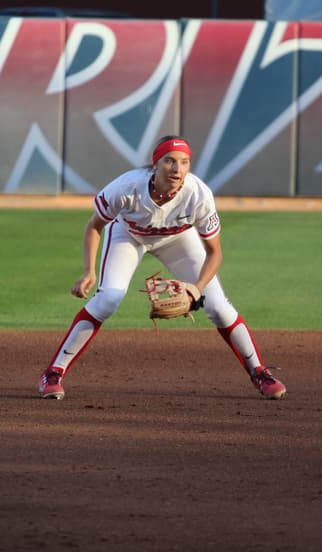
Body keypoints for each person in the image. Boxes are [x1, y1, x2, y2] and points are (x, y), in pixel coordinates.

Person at [38, 135, 287, 400]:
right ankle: (53, 373)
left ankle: (259, 372)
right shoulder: (127, 187)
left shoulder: (199, 194)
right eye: (170, 161)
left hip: (177, 239)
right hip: (128, 235)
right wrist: (89, 270)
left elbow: (215, 253)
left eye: (184, 162)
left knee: (217, 306)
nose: (177, 169)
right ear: (155, 163)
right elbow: (94, 227)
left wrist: (197, 289)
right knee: (108, 298)